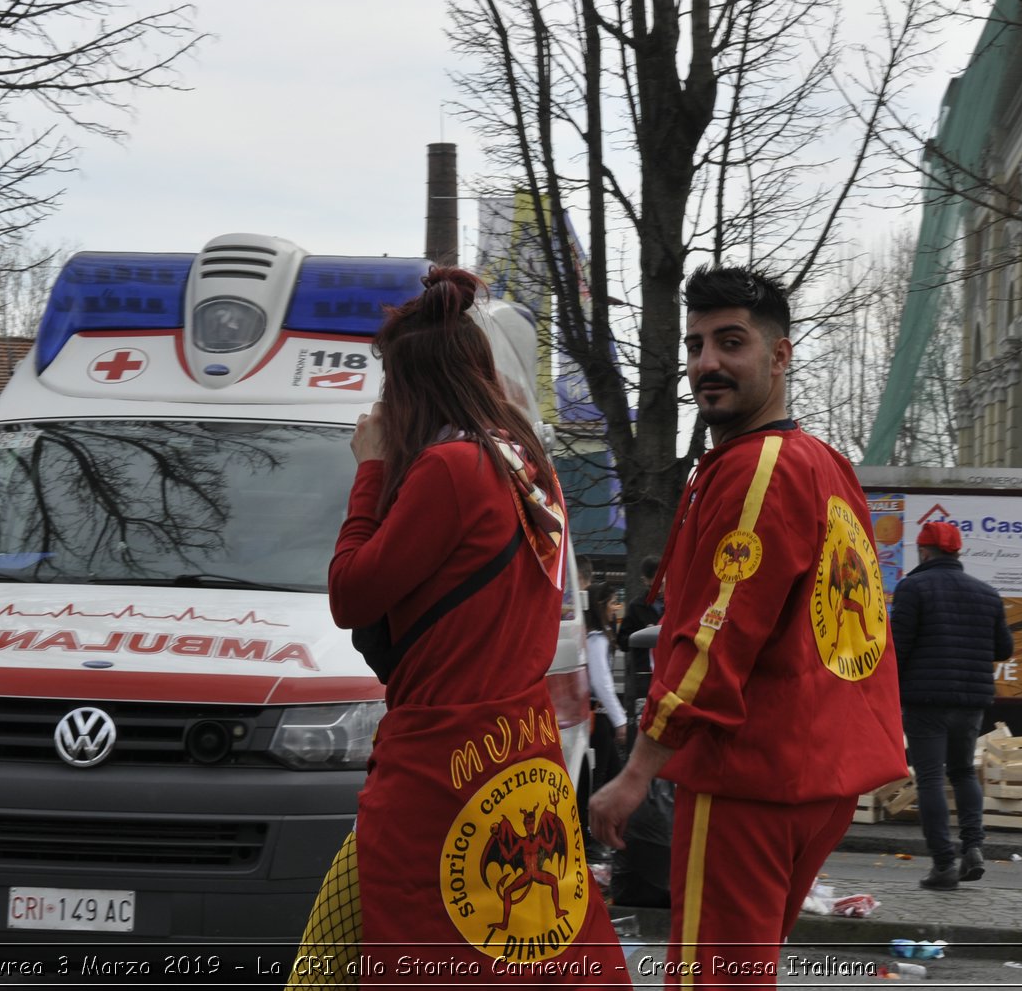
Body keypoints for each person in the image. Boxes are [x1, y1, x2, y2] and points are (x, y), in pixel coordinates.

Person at [287, 267, 627, 987]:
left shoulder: (450, 468)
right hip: (517, 752)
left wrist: (371, 470)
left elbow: (351, 591)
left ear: (413, 387)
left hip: (439, 766)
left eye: (390, 385)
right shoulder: (529, 465)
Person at [589, 266, 907, 986]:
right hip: (814, 776)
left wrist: (637, 772)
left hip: (746, 780)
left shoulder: (755, 469)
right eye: (696, 344)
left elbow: (711, 640)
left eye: (730, 342)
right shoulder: (822, 461)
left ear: (781, 354)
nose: (706, 363)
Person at [889, 520, 1013, 890]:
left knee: (929, 777)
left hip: (926, 701)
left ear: (924, 552)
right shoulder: (987, 594)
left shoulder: (912, 588)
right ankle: (973, 847)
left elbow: (898, 648)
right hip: (971, 702)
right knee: (961, 773)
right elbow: (1004, 649)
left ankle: (944, 863)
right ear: (957, 552)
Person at [578, 556, 626, 860]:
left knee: (606, 775)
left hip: (600, 716)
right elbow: (602, 682)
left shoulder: (599, 636)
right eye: (612, 602)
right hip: (599, 716)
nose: (615, 607)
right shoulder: (596, 638)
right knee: (606, 777)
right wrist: (621, 719)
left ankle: (599, 839)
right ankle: (597, 840)